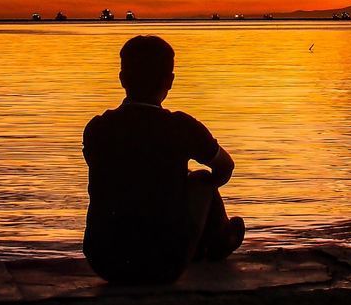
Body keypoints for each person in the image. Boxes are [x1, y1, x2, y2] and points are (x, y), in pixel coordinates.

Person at [82, 35, 245, 284]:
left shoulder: (97, 128)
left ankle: (204, 239)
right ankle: (218, 239)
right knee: (201, 178)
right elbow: (225, 166)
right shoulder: (181, 127)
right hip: (163, 265)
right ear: (169, 81)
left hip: (103, 261)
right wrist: (194, 190)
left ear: (122, 79)